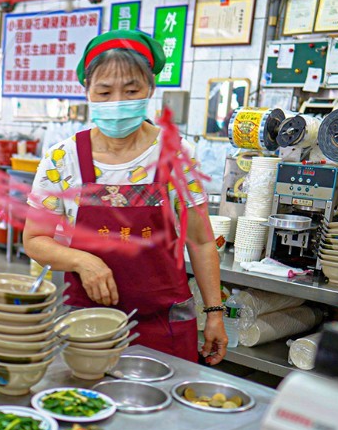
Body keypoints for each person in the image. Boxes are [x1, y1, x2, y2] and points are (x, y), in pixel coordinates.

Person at [23, 30, 227, 364]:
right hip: (88, 320)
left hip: (166, 319)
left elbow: (201, 241)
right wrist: (82, 260)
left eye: (131, 91)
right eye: (104, 91)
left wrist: (215, 313)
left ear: (150, 89)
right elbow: (34, 239)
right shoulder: (63, 158)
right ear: (87, 92)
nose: (116, 102)